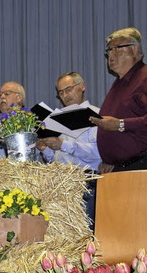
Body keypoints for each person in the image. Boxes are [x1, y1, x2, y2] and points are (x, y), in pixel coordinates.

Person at [37, 72, 101, 229]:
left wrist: (64, 145)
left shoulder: (95, 115)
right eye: (61, 92)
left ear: (82, 86)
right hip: (61, 182)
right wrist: (46, 149)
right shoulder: (57, 118)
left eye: (69, 89)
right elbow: (57, 158)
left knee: (84, 233)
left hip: (86, 181)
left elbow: (98, 153)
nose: (65, 95)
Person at [91, 27, 147, 173]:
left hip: (144, 168)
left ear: (134, 50)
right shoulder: (118, 84)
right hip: (119, 169)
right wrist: (109, 160)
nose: (111, 55)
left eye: (117, 48)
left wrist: (120, 124)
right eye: (109, 50)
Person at [0, 82, 26, 162]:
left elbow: (23, 147)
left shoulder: (28, 123)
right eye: (0, 94)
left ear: (19, 98)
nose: (2, 97)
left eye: (7, 93)